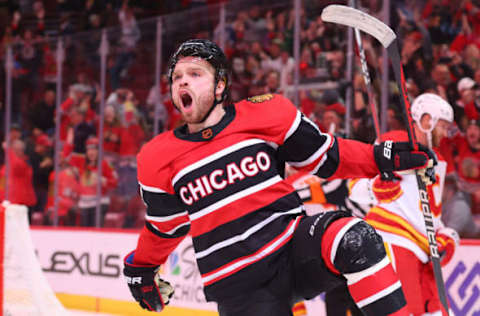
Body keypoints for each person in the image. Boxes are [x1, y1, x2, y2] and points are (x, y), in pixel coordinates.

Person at [122, 39, 435, 316]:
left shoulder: (264, 114)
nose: (183, 83)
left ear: (220, 86)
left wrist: (380, 157)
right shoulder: (157, 157)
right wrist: (142, 266)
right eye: (177, 77)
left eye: (195, 74)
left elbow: (327, 156)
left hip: (292, 245)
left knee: (354, 239)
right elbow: (165, 227)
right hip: (240, 285)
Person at [349, 93, 460, 315]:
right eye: (443, 125)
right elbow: (354, 185)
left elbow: (429, 210)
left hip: (423, 252)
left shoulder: (438, 156)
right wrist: (374, 188)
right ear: (427, 120)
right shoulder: (394, 142)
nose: (446, 132)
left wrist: (445, 234)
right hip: (394, 239)